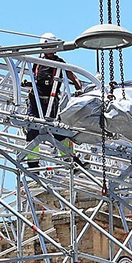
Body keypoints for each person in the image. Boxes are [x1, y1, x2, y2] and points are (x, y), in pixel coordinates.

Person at [23, 33, 83, 168]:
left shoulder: (59, 63)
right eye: (48, 47)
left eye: (53, 47)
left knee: (58, 131)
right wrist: (27, 84)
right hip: (35, 102)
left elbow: (73, 77)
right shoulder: (37, 63)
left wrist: (79, 89)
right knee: (32, 130)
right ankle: (33, 164)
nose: (51, 50)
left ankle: (71, 160)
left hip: (50, 103)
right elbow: (36, 82)